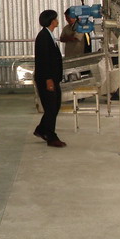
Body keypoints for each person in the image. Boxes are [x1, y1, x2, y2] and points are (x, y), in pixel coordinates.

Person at [33, 9, 67, 148]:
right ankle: (51, 137)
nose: (57, 21)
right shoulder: (43, 37)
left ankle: (42, 129)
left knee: (54, 106)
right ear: (52, 21)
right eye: (56, 18)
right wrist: (48, 80)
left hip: (53, 77)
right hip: (47, 79)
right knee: (51, 108)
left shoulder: (49, 35)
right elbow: (43, 60)